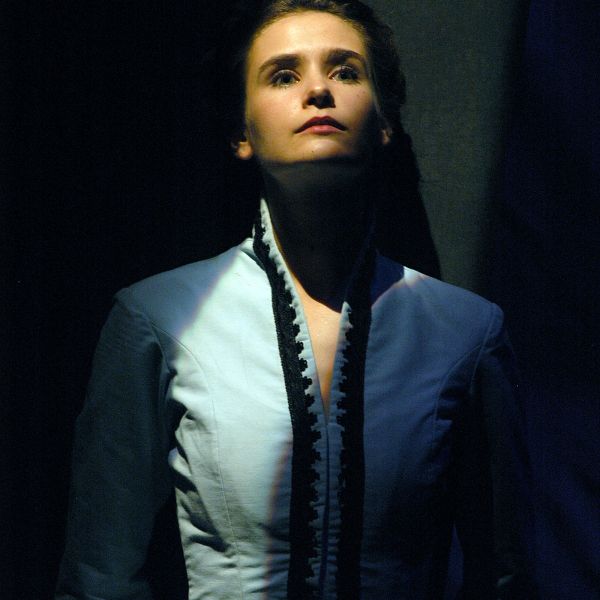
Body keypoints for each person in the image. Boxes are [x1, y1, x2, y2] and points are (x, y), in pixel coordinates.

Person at [56, 1, 535, 598]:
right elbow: (99, 576)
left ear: (385, 122)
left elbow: (506, 575)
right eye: (283, 76)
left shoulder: (466, 332)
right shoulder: (160, 318)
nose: (318, 91)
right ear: (241, 132)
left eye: (346, 71)